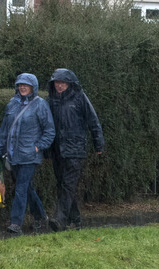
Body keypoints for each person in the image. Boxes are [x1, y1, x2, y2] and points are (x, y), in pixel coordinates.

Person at [0, 73, 55, 235]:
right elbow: (4, 130)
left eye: (26, 85)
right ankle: (41, 216)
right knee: (26, 187)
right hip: (13, 154)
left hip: (30, 156)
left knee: (21, 188)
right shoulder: (12, 104)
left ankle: (15, 223)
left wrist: (38, 147)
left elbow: (49, 130)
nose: (22, 87)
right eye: (20, 84)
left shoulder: (40, 105)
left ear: (32, 87)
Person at [46, 68, 105, 232]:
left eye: (63, 82)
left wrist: (98, 143)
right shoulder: (50, 100)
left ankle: (59, 219)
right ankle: (76, 220)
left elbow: (93, 121)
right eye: (57, 82)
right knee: (62, 184)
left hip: (75, 149)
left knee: (68, 185)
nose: (59, 85)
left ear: (70, 84)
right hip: (57, 149)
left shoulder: (80, 98)